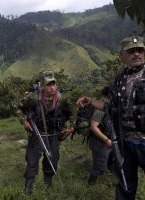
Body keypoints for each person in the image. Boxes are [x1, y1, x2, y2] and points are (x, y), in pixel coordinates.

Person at [77, 36, 145, 200]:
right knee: (125, 185)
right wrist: (91, 101)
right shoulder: (120, 79)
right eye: (131, 51)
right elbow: (109, 106)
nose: (136, 54)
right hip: (124, 142)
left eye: (140, 50)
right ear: (122, 55)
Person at [14, 71, 74, 195]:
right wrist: (24, 121)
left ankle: (48, 188)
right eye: (48, 85)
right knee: (32, 161)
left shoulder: (61, 98)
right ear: (42, 86)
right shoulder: (33, 97)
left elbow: (72, 111)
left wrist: (71, 127)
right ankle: (28, 191)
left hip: (53, 135)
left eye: (54, 84)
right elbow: (16, 106)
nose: (52, 87)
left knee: (52, 160)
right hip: (37, 134)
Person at [87, 86, 112, 185]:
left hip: (107, 140)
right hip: (99, 142)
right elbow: (93, 127)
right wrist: (106, 140)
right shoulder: (100, 110)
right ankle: (90, 185)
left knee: (109, 164)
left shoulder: (111, 107)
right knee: (99, 167)